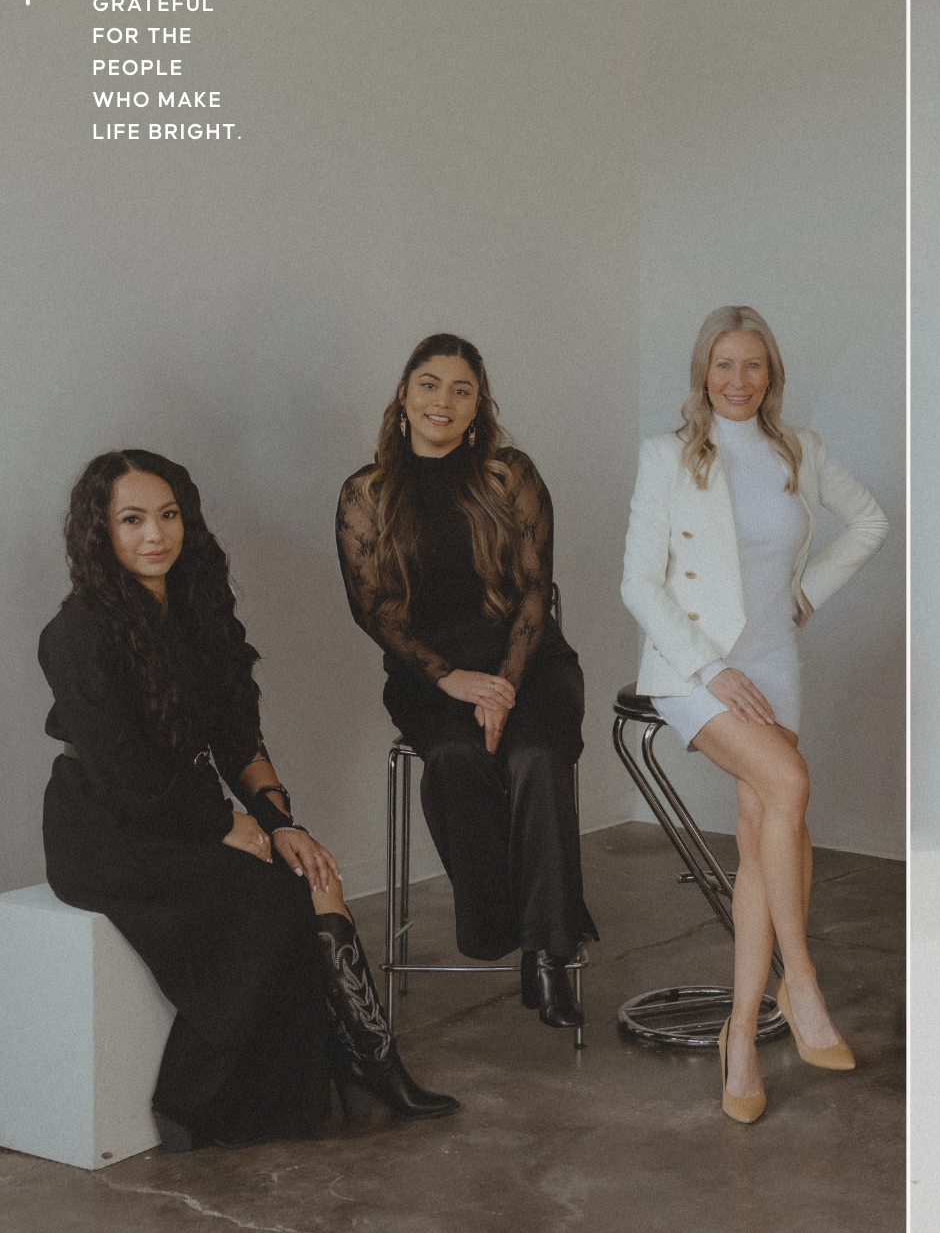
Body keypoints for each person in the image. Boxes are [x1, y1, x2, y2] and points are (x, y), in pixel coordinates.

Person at [39, 449, 458, 1152]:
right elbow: (126, 775)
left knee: (311, 876)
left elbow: (238, 734)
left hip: (177, 807)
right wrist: (220, 823)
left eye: (168, 515)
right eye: (132, 519)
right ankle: (195, 1100)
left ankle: (365, 1069)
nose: (155, 535)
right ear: (99, 533)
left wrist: (277, 821)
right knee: (269, 902)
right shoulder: (78, 632)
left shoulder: (198, 608)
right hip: (103, 826)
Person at [621, 306, 888, 1123]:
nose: (738, 381)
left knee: (767, 824)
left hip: (776, 662)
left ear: (773, 374)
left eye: (755, 366)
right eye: (724, 365)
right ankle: (800, 980)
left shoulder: (800, 451)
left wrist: (806, 593)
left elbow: (871, 522)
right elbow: (639, 582)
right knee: (791, 784)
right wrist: (711, 667)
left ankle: (741, 1042)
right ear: (703, 371)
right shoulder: (666, 456)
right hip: (693, 669)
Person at [336, 334, 597, 1029]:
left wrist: (503, 685)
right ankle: (498, 924)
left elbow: (537, 592)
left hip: (530, 662)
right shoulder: (366, 493)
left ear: (480, 404)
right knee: (454, 759)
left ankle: (545, 955)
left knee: (538, 758)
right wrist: (452, 679)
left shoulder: (508, 475)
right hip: (430, 676)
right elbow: (373, 611)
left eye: (461, 389)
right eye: (428, 384)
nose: (442, 402)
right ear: (403, 395)